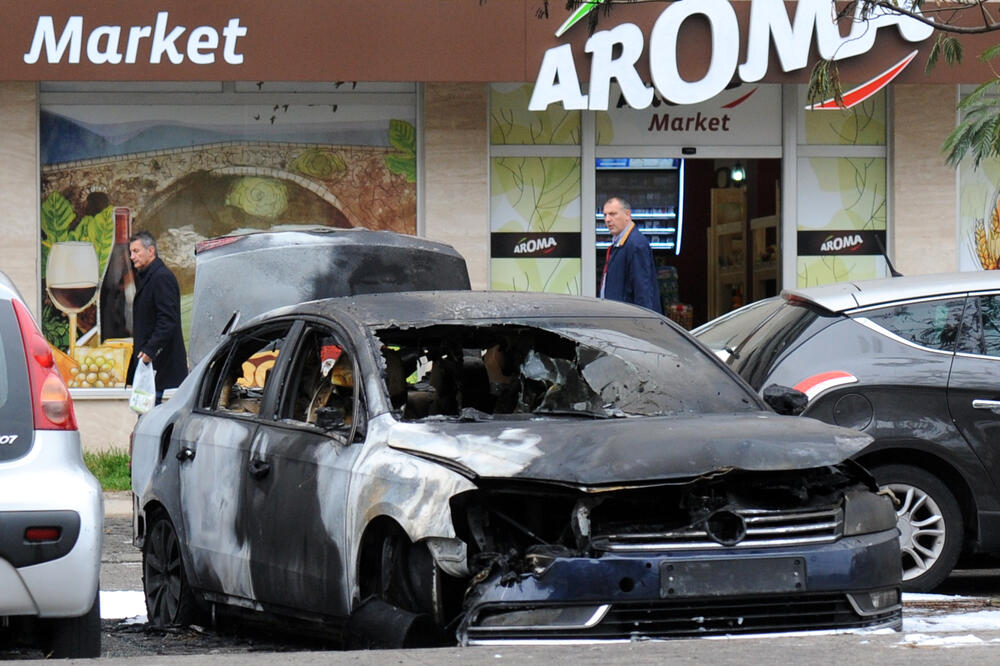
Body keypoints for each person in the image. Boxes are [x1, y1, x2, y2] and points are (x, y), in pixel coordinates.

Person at [125, 230, 187, 404]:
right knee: (145, 414)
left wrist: (149, 352)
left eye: (136, 251)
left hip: (158, 365)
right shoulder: (150, 277)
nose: (132, 256)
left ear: (150, 251)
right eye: (131, 252)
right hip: (151, 366)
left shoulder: (161, 277)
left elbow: (168, 320)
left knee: (147, 416)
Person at [600, 197, 662, 313]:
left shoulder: (636, 245)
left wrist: (642, 324)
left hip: (627, 320)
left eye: (613, 214)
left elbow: (643, 290)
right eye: (605, 215)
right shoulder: (620, 242)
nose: (607, 219)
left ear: (627, 215)